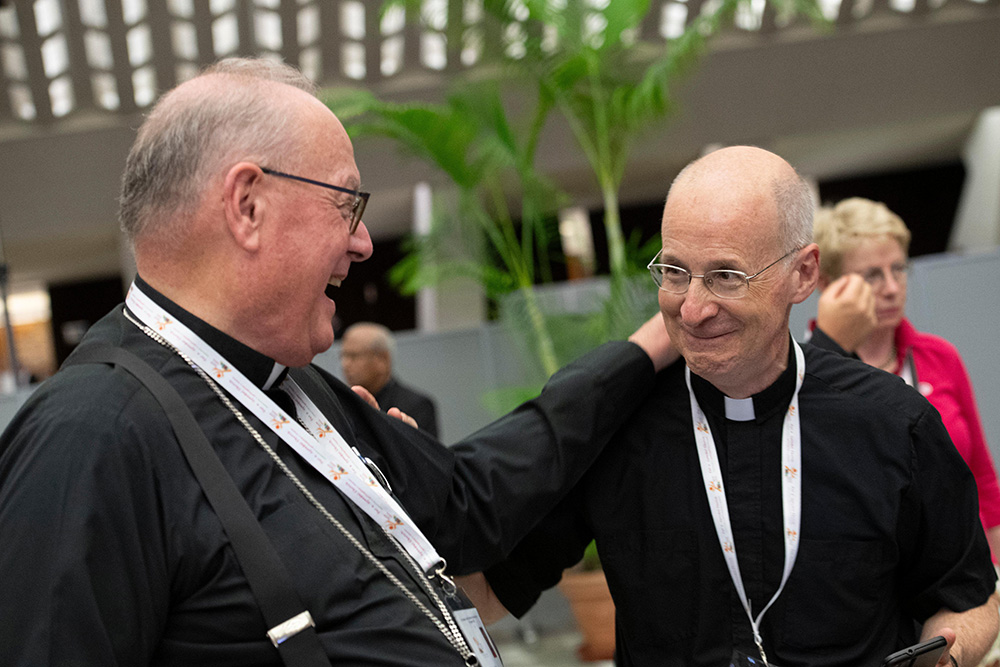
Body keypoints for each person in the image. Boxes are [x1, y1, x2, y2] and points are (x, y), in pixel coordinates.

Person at [0, 58, 676, 666]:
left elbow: (468, 501)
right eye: (346, 204)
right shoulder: (90, 434)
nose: (362, 245)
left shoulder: (290, 389)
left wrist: (651, 349)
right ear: (248, 205)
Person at [475, 146, 999, 667]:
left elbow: (970, 598)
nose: (693, 308)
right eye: (675, 272)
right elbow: (486, 594)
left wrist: (947, 661)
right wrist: (395, 491)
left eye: (727, 276)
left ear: (803, 273)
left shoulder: (891, 424)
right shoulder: (618, 429)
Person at [810, 197, 1000, 562]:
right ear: (827, 284)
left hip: (969, 570)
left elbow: (983, 478)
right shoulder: (813, 374)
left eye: (898, 269)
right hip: (881, 583)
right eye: (872, 275)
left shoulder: (939, 356)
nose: (892, 288)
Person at [340, 321, 440, 437]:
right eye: (343, 356)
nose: (345, 364)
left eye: (354, 356)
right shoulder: (342, 403)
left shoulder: (417, 406)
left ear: (383, 359)